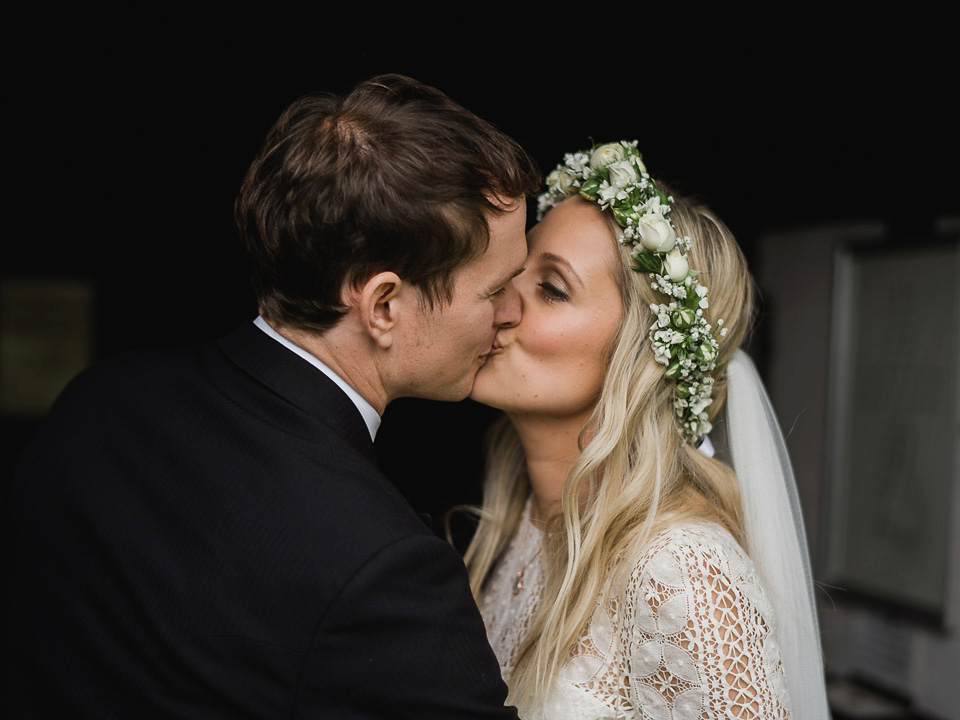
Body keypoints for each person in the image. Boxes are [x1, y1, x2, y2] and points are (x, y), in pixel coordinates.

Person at [7, 74, 540, 718]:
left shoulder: (102, 397)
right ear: (384, 305)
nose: (515, 312)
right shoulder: (386, 570)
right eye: (496, 289)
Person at [462, 140, 832, 719]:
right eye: (514, 271)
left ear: (639, 357)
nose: (500, 301)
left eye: (552, 288)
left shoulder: (679, 567)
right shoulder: (526, 523)